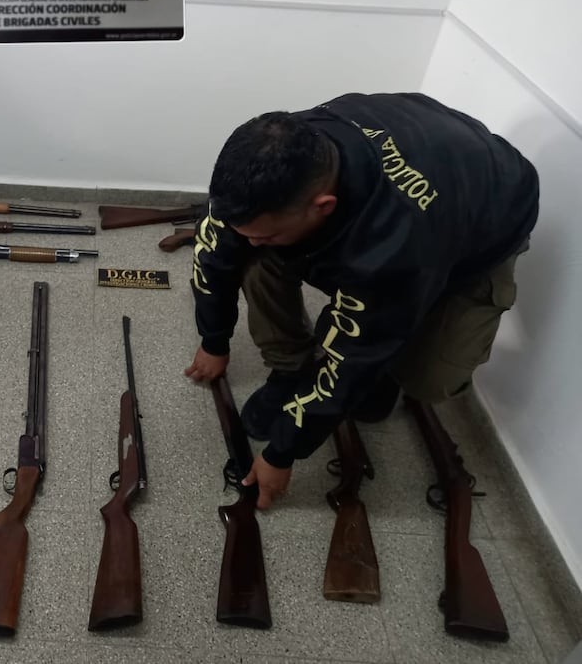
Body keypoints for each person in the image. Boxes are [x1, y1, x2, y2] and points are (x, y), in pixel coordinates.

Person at [185, 92, 539, 510]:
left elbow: (353, 355)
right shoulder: (269, 164)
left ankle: (391, 364)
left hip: (483, 221)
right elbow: (214, 252)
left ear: (323, 206)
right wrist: (214, 339)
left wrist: (282, 452)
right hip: (426, 148)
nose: (252, 240)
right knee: (254, 259)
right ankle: (291, 369)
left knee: (428, 378)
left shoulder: (397, 243)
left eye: (267, 233)